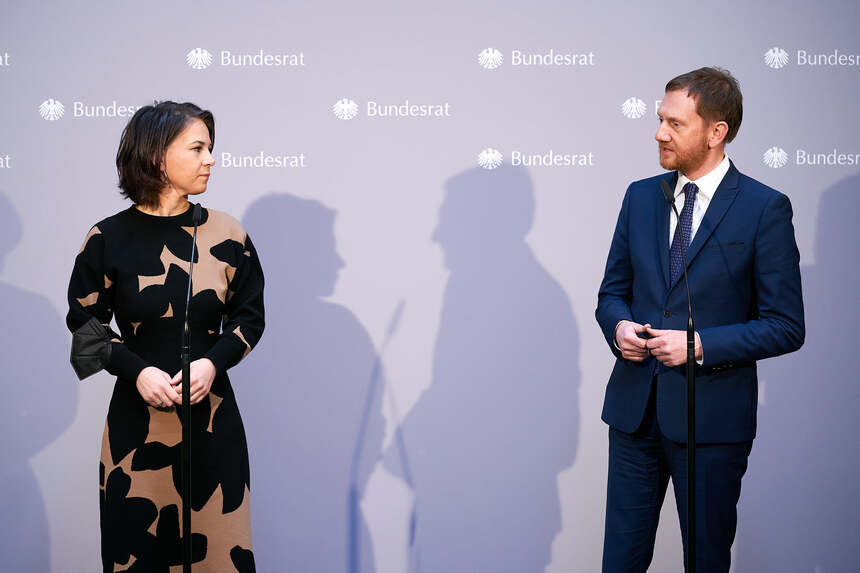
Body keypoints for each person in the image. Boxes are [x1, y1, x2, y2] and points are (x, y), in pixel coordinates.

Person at [595, 67, 804, 572]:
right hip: (634, 413)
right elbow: (611, 294)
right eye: (659, 119)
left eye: (676, 124)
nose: (659, 132)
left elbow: (785, 325)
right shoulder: (640, 195)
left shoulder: (763, 208)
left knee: (705, 562)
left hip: (710, 422)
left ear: (717, 132)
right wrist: (620, 328)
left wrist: (700, 345)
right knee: (619, 563)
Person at [66, 101, 264, 572]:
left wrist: (212, 362)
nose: (210, 159)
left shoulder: (228, 233)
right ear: (158, 157)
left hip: (213, 422)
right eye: (197, 148)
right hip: (137, 427)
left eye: (211, 148)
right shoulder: (107, 238)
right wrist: (136, 372)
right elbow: (82, 325)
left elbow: (250, 319)